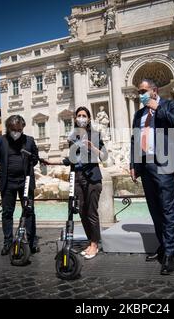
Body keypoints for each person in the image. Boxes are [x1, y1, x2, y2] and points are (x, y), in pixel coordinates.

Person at [130, 79, 174, 275]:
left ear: (154, 91)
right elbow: (134, 140)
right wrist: (133, 165)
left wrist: (158, 107)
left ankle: (170, 254)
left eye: (144, 91)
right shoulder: (138, 114)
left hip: (165, 162)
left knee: (168, 209)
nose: (141, 95)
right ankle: (163, 246)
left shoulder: (170, 104)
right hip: (145, 165)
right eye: (139, 92)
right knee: (155, 209)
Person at [0, 115, 40, 256]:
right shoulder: (0, 141)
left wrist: (32, 158)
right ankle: (8, 242)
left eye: (19, 129)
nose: (16, 132)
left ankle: (31, 243)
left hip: (25, 182)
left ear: (22, 128)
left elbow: (35, 159)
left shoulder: (29, 141)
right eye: (13, 129)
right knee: (7, 213)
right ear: (8, 128)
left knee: (29, 212)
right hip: (8, 183)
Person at [67, 106, 108, 259]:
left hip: (92, 178)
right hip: (77, 177)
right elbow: (72, 159)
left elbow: (104, 156)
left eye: (84, 115)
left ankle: (94, 245)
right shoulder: (72, 136)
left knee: (91, 212)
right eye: (79, 115)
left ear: (89, 119)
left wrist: (93, 148)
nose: (81, 118)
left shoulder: (95, 135)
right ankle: (91, 241)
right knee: (82, 212)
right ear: (75, 118)